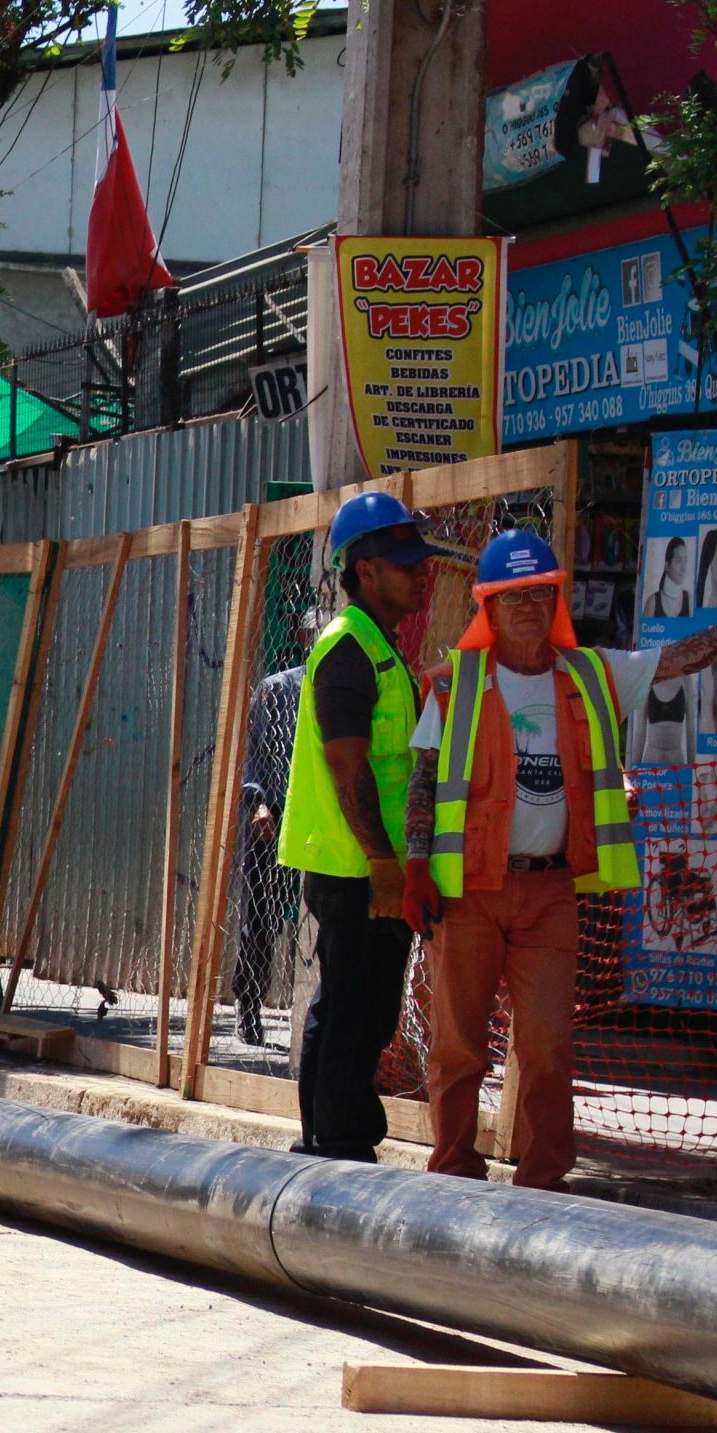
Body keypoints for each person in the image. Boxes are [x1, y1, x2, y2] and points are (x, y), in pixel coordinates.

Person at [403, 529, 717, 1188]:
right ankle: (454, 1172)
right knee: (459, 1047)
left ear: (555, 600)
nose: (527, 605)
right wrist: (416, 869)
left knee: (550, 1045)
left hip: (551, 892)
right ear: (487, 608)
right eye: (511, 596)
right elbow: (424, 782)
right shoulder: (457, 685)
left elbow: (682, 658)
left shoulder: (590, 672)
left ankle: (545, 1180)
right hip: (470, 892)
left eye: (539, 594)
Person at [276, 490, 440, 1161]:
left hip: (367, 861)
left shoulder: (380, 647)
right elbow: (348, 766)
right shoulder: (350, 648)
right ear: (364, 570)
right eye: (403, 563)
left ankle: (326, 1138)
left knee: (354, 1006)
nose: (419, 573)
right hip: (356, 865)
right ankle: (340, 1143)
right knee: (356, 1011)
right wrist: (380, 860)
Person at [232, 665, 304, 1047]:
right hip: (275, 814)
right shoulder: (277, 689)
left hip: (322, 819)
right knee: (261, 919)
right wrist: (258, 801)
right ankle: (249, 1003)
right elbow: (255, 751)